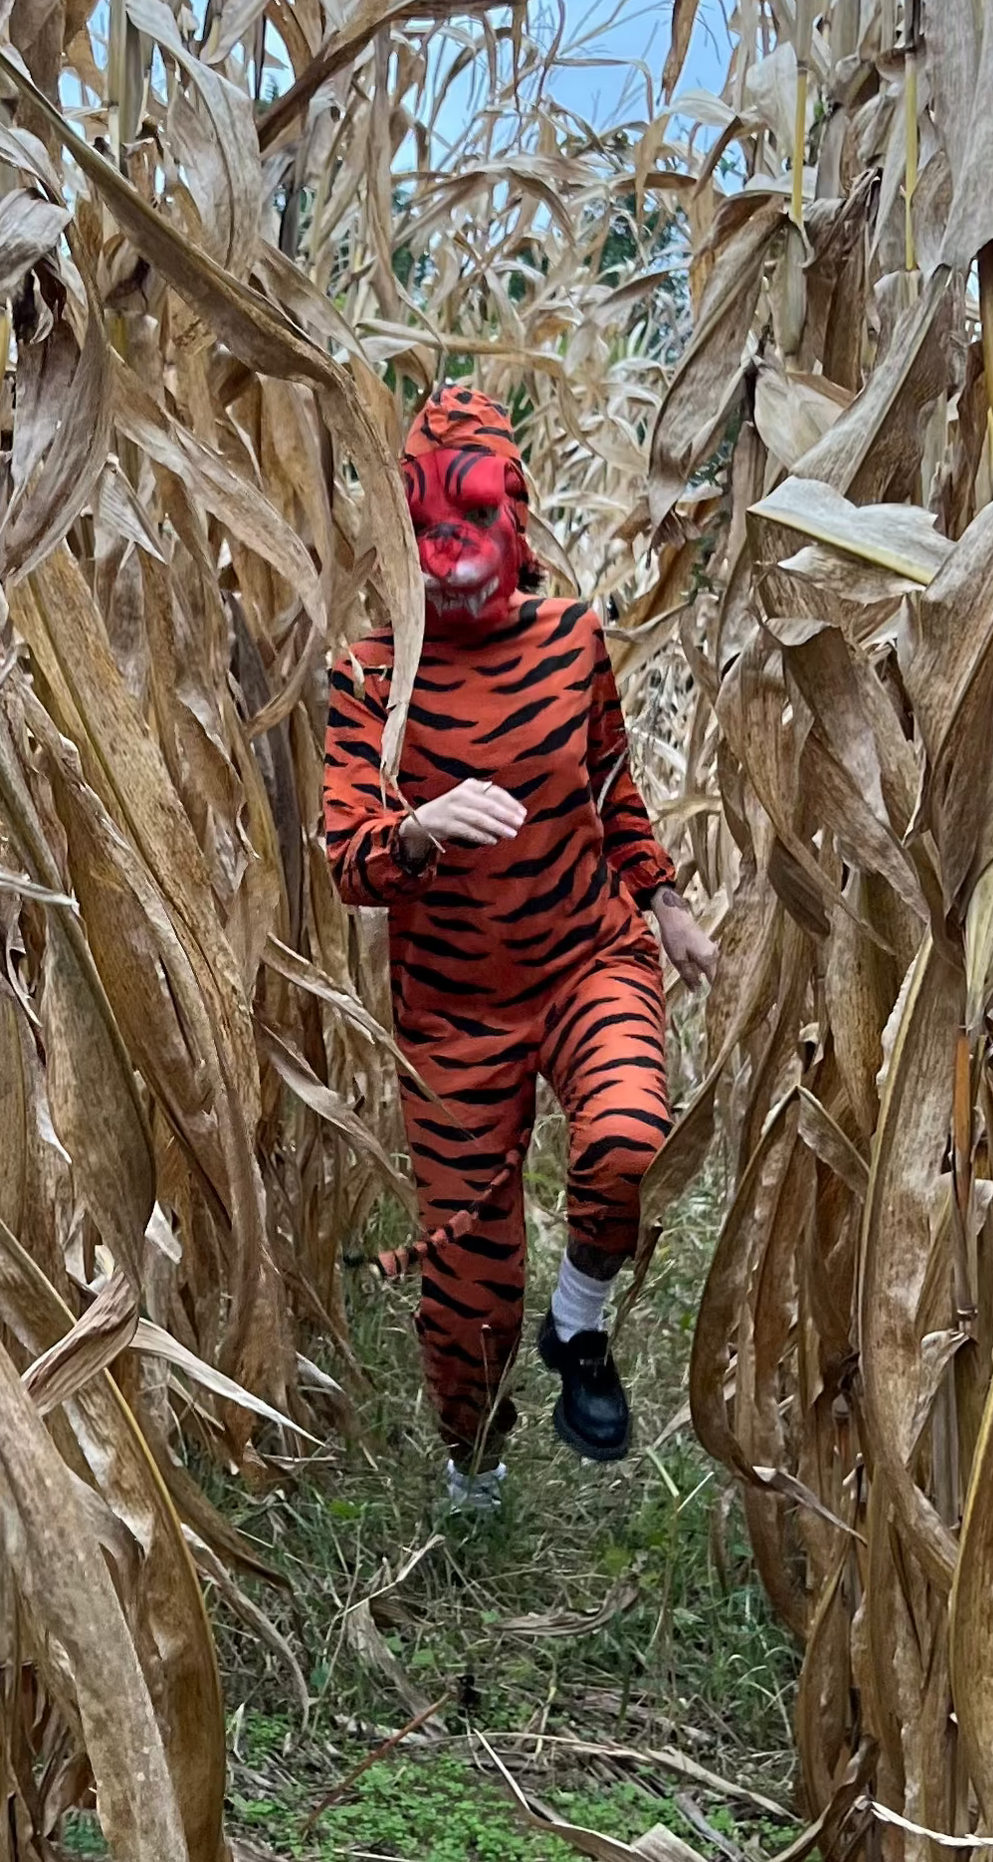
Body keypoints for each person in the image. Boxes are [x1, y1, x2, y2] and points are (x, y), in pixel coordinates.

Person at [323, 386, 717, 1509]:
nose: (452, 551)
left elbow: (608, 784)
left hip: (585, 960)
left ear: (517, 521)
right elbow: (347, 856)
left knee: (630, 1136)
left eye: (476, 518)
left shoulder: (570, 641)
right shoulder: (370, 676)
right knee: (467, 1279)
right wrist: (418, 829)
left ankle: (579, 1321)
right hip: (452, 1012)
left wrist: (667, 906)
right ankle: (474, 1468)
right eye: (428, 527)